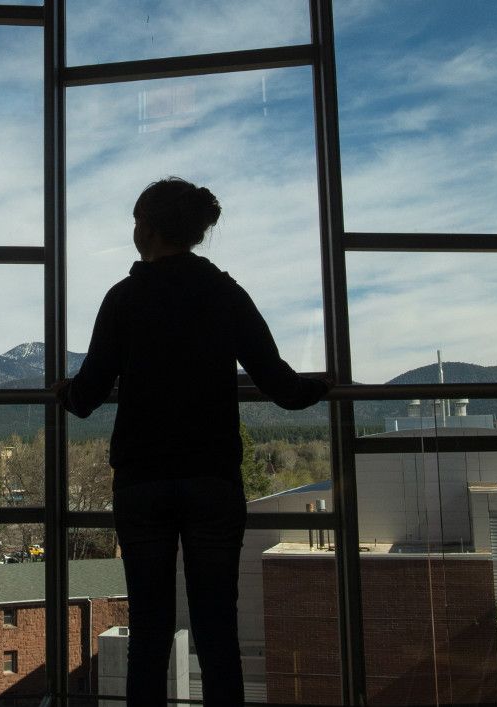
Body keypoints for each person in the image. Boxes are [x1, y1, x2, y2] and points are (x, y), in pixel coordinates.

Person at [57, 177, 330, 707]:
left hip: (142, 481)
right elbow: (282, 387)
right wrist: (325, 386)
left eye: (136, 221)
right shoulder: (225, 294)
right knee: (216, 627)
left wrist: (62, 393)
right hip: (213, 478)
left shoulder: (124, 299)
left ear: (149, 229)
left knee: (149, 629)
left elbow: (86, 396)